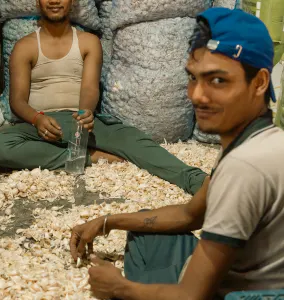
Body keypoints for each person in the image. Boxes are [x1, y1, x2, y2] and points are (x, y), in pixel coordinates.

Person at [70, 8, 284, 300]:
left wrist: (118, 287)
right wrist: (106, 221)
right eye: (194, 78)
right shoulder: (258, 141)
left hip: (236, 294)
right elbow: (189, 215)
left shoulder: (244, 166)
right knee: (145, 225)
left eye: (218, 81)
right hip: (232, 277)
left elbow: (191, 295)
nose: (197, 95)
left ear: (259, 82)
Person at [0, 0, 206, 195]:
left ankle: (198, 181)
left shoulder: (88, 42)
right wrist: (37, 119)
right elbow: (17, 100)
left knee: (137, 141)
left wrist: (85, 113)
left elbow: (90, 88)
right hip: (42, 126)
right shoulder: (24, 46)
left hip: (82, 120)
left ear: (73, 3)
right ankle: (92, 157)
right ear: (37, 3)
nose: (54, 1)